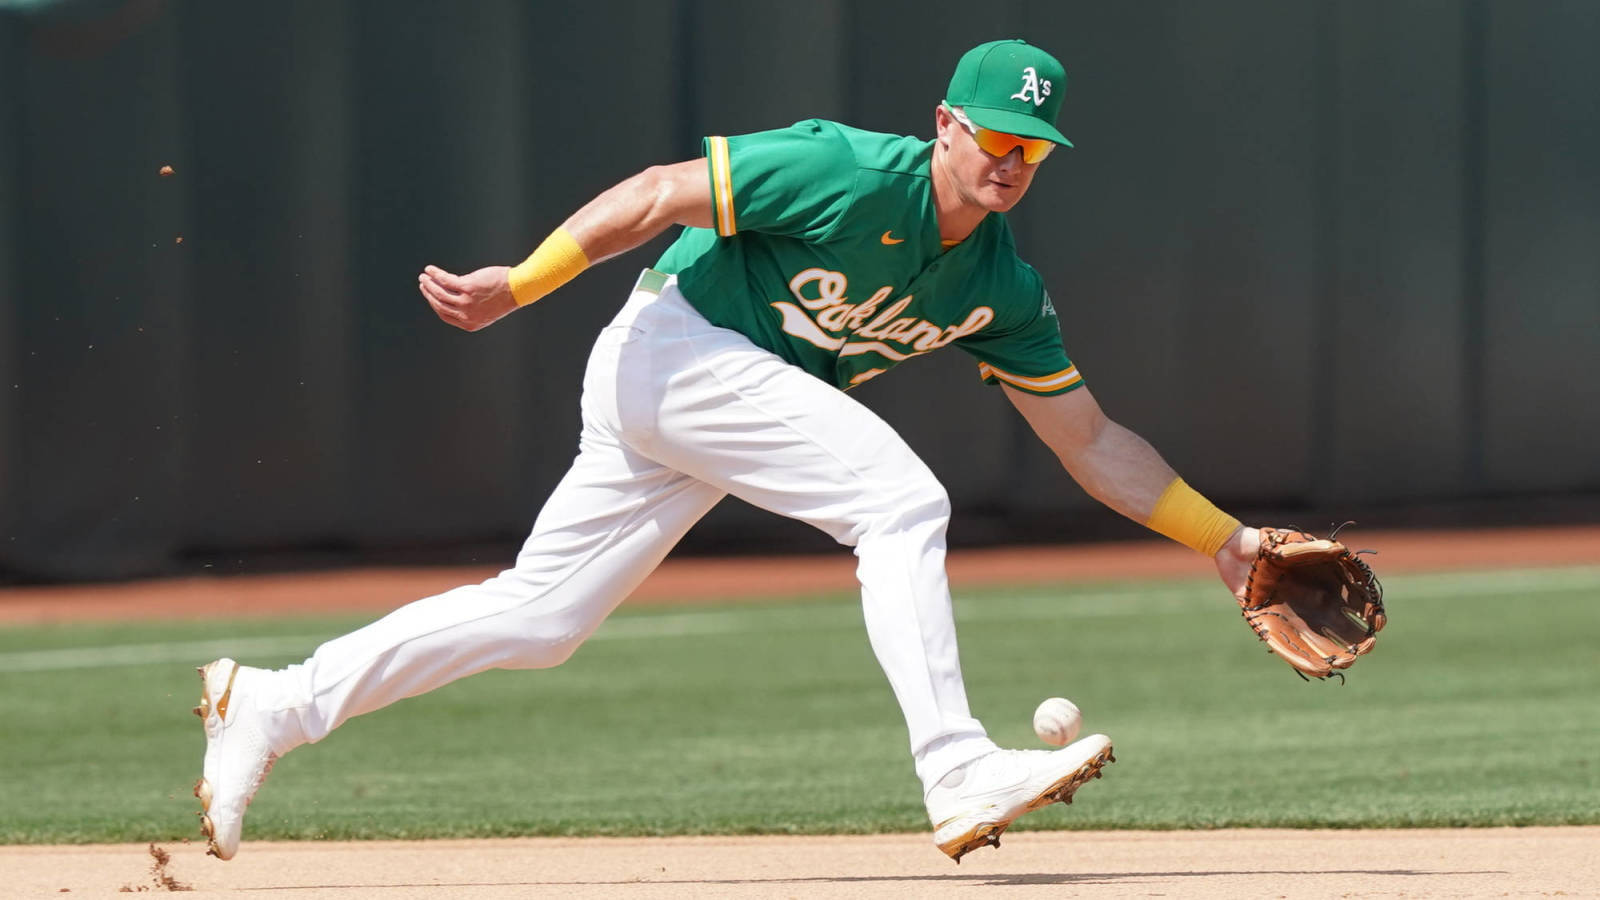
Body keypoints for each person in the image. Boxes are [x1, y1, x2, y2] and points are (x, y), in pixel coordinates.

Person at [193, 39, 1261, 864]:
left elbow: (1088, 439)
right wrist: (520, 282)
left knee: (542, 616)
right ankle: (956, 768)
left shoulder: (1000, 287)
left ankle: (276, 703)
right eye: (993, 136)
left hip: (715, 397)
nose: (1010, 161)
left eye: (1032, 148)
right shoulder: (844, 171)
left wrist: (1227, 541)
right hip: (676, 347)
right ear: (944, 123)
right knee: (901, 504)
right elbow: (661, 192)